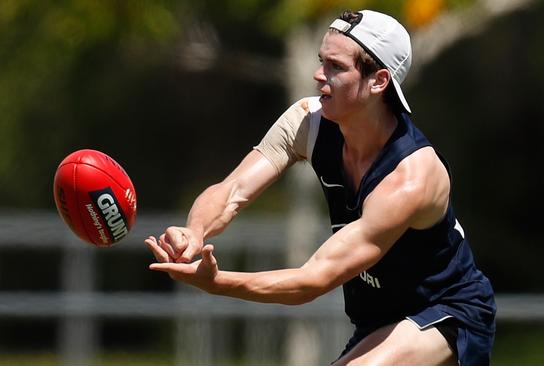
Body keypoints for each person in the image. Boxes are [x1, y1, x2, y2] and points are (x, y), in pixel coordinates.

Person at [145, 9, 496, 366]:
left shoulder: (411, 178)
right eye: (320, 61)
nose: (318, 75)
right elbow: (232, 191)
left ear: (379, 81)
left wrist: (218, 283)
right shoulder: (308, 122)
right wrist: (195, 231)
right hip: (377, 320)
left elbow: (312, 280)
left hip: (448, 313)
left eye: (336, 67)